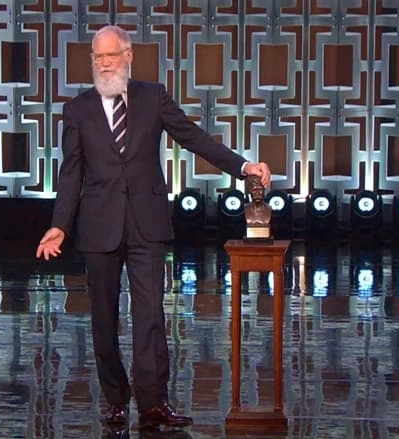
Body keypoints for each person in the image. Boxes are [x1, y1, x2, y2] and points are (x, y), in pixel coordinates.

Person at [35, 25, 271, 429]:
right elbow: (71, 172)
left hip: (147, 224)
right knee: (103, 319)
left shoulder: (153, 97)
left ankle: (153, 403)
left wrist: (243, 166)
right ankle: (114, 400)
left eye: (111, 55)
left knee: (150, 317)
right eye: (98, 57)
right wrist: (60, 225)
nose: (105, 63)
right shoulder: (77, 110)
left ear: (129, 56)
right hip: (99, 227)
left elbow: (193, 137)